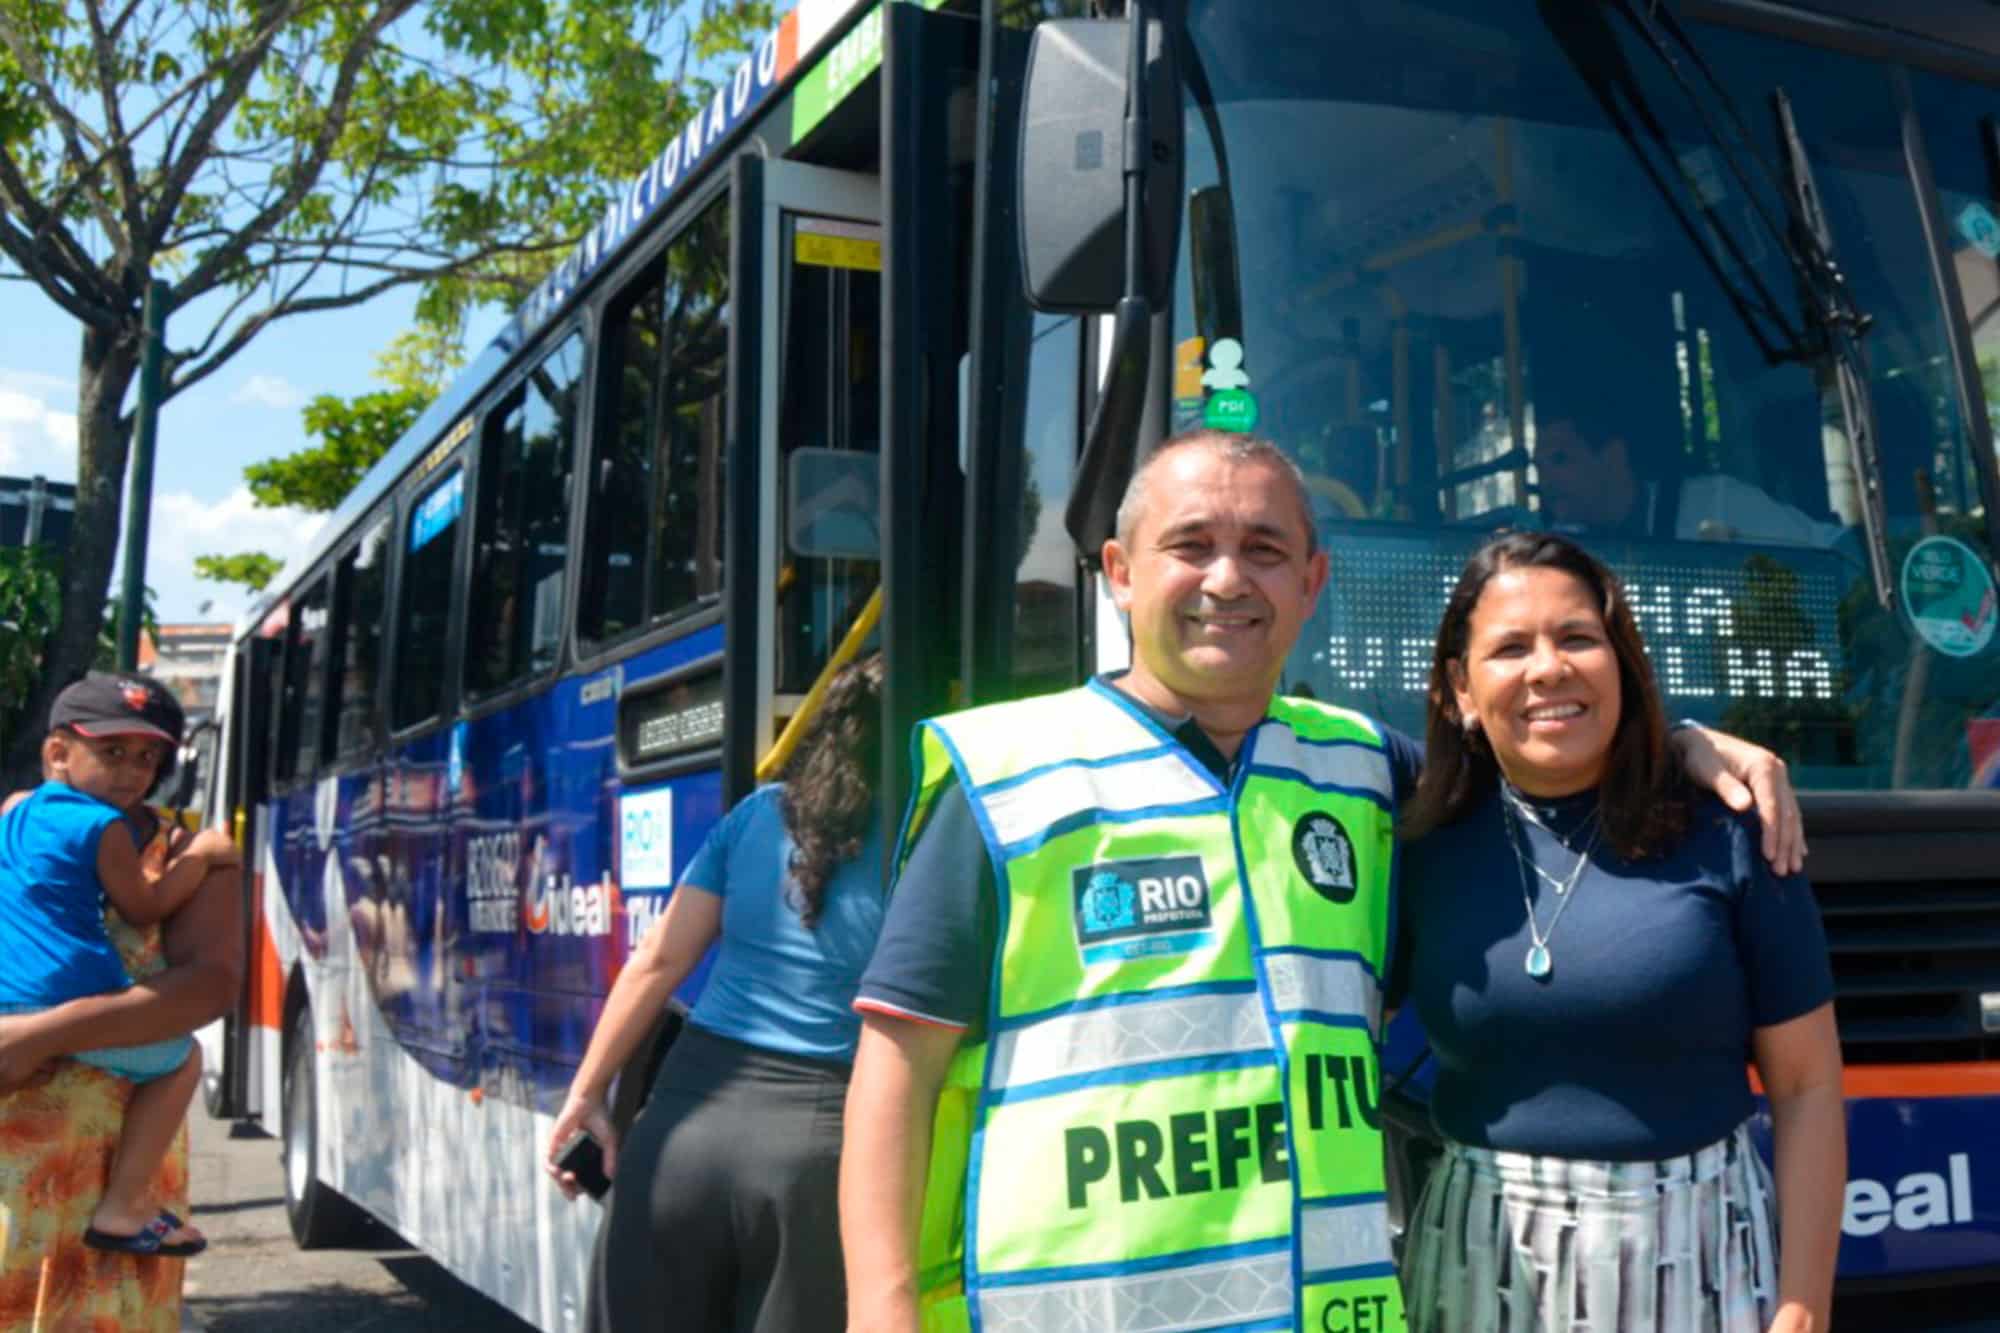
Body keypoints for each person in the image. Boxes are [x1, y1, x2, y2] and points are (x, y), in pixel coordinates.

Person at [838, 428, 1805, 1333]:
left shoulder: (1364, 772)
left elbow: (1535, 764)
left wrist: (1679, 742)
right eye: (1191, 544)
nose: (1228, 578)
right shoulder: (1008, 779)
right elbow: (897, 1067)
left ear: (1312, 582)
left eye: (1264, 549)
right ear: (1121, 576)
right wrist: (880, 1311)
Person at [1392, 531, 1844, 1333]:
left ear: (1622, 664)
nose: (1548, 669)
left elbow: (1807, 1088)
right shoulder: (1418, 838)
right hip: (1475, 1270)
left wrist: (1804, 1305)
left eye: (1577, 638)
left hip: (1699, 1259)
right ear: (1461, 688)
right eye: (1509, 648)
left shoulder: (1735, 828)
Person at [545, 653, 889, 1333]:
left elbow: (657, 961)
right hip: (812, 1161)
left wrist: (586, 1091)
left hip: (680, 1132)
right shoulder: (922, 841)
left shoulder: (757, 815)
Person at [0, 735, 244, 1326]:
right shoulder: (116, 833)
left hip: (79, 1136)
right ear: (57, 751)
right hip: (33, 1148)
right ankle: (123, 1208)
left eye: (147, 759)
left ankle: (121, 1207)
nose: (132, 772)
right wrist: (206, 856)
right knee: (182, 1059)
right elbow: (147, 908)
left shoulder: (19, 816)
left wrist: (36, 1036)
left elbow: (210, 984)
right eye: (111, 752)